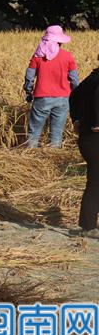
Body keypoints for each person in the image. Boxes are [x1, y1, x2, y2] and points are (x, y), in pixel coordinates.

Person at [23, 25, 78, 148]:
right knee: (56, 134)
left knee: (34, 132)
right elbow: (74, 79)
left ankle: (30, 157)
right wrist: (76, 93)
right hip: (63, 99)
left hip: (42, 98)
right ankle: (53, 157)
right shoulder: (68, 56)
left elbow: (29, 77)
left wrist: (28, 91)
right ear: (59, 41)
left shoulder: (37, 56)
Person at [69, 62, 99, 237]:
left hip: (88, 138)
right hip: (95, 139)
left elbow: (73, 96)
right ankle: (88, 227)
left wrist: (76, 119)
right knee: (95, 183)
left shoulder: (92, 77)